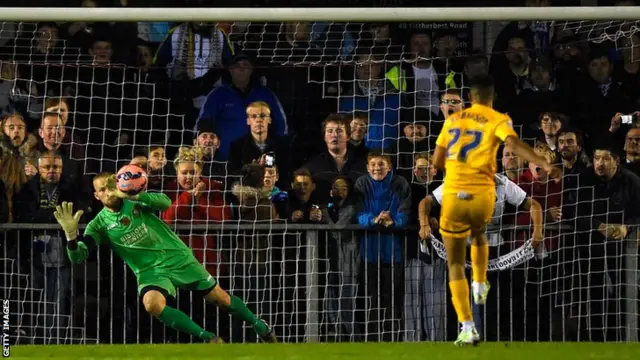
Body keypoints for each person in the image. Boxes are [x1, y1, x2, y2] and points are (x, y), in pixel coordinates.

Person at [52, 173, 277, 344]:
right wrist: (71, 237)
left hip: (178, 257)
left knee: (222, 300)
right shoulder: (98, 225)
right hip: (150, 272)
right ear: (97, 195)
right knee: (151, 304)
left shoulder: (135, 201)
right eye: (103, 189)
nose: (108, 192)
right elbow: (79, 257)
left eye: (111, 186)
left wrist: (136, 193)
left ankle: (259, 325)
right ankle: (208, 338)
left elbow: (165, 203)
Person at [431, 74, 561, 346]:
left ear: (469, 98)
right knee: (480, 232)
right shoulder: (497, 119)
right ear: (491, 98)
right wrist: (541, 161)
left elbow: (438, 161)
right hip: (483, 190)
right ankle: (479, 281)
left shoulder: (453, 121)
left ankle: (467, 327)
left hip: (456, 191)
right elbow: (513, 145)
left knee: (455, 263)